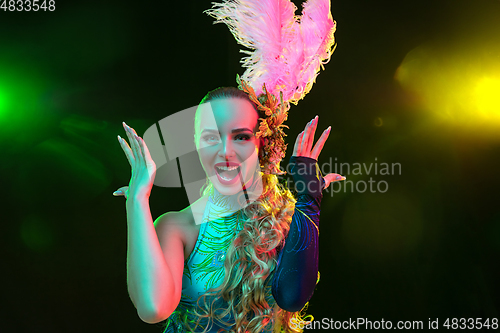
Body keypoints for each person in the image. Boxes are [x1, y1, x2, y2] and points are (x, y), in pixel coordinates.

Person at [114, 1, 340, 331]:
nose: (224, 152)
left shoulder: (290, 220)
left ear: (264, 143)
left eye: (241, 137)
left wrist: (309, 204)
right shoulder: (177, 226)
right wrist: (137, 202)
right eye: (210, 137)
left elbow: (292, 296)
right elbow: (153, 309)